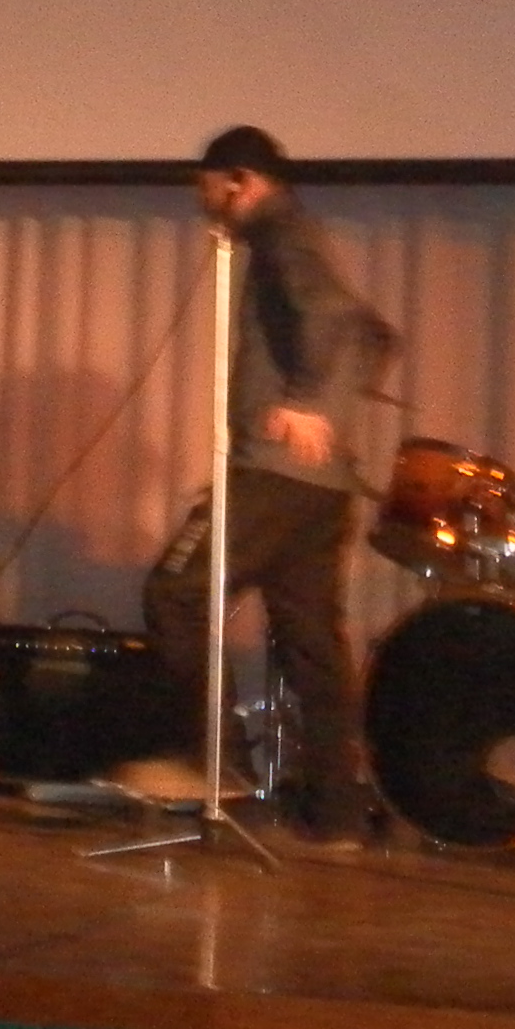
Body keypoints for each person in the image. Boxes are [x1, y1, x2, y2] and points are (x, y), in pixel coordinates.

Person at [139, 125, 399, 843]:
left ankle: (215, 765)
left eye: (207, 189)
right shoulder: (287, 239)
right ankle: (334, 810)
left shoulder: (284, 231)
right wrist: (330, 405)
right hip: (321, 487)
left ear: (240, 182)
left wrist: (309, 400)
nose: (204, 203)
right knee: (311, 642)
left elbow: (335, 316)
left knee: (176, 591)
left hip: (277, 476)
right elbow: (374, 334)